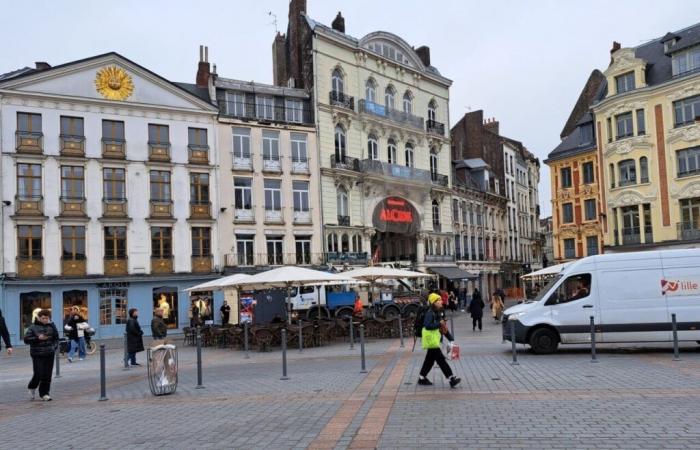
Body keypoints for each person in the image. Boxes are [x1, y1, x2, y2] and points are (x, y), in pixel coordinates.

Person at [418, 293, 461, 388]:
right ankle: (451, 378)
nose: (441, 301)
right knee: (441, 360)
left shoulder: (438, 312)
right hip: (432, 341)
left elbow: (443, 328)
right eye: (438, 300)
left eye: (441, 300)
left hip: (434, 340)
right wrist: (438, 324)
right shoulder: (430, 313)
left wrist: (451, 339)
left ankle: (421, 378)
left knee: (429, 360)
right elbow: (427, 325)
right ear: (433, 302)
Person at [24, 309, 58, 401]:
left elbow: (56, 338)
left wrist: (54, 347)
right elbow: (26, 340)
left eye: (47, 318)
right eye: (43, 318)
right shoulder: (32, 327)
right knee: (38, 374)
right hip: (37, 354)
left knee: (47, 375)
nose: (45, 320)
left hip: (49, 353)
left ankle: (44, 393)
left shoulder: (52, 326)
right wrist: (37, 338)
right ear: (38, 318)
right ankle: (32, 387)